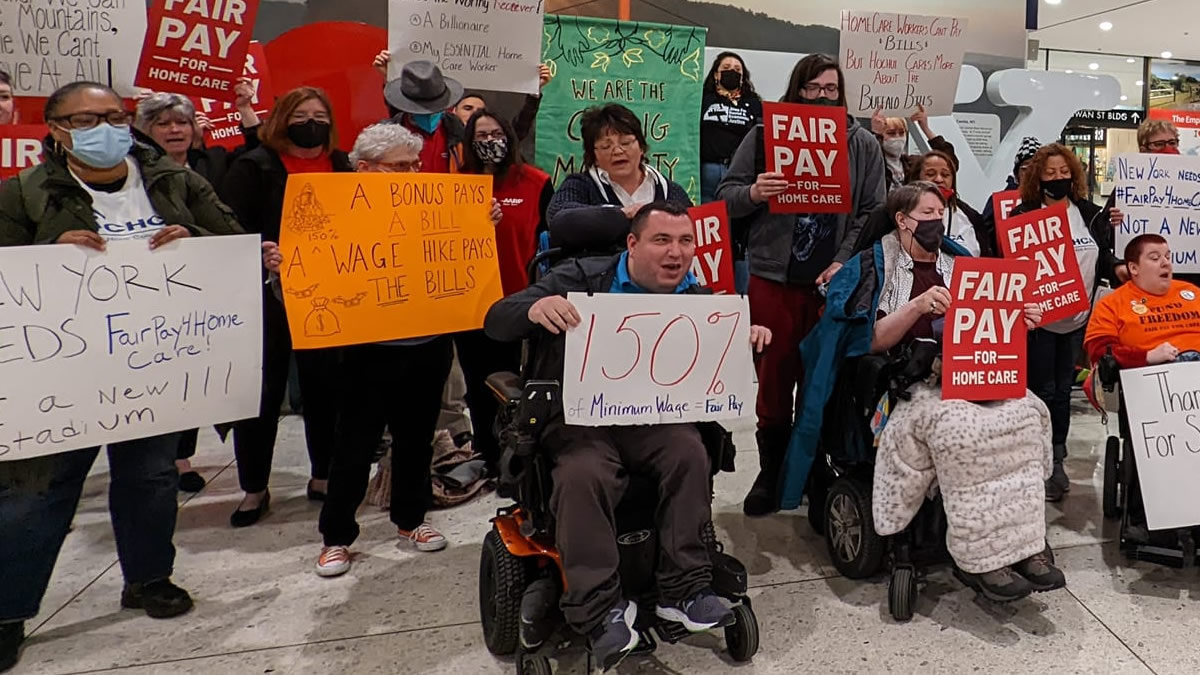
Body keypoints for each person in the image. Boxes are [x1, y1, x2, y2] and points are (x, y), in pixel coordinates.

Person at [0, 80, 243, 672]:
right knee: (37, 493)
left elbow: (233, 240)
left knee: (152, 476)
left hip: (154, 362)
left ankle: (148, 577)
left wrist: (196, 240)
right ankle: (9, 609)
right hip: (61, 372)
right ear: (55, 129)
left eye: (113, 116)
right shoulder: (25, 194)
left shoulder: (176, 182)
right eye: (85, 119)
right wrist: (49, 253)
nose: (103, 129)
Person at [483, 202, 771, 670]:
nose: (675, 254)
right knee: (584, 473)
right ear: (632, 244)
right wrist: (535, 307)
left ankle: (683, 587)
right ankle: (599, 607)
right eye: (662, 241)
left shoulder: (696, 299)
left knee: (688, 453)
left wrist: (745, 336)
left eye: (685, 242)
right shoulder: (577, 277)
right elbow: (497, 318)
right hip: (577, 419)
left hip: (651, 418)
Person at [782, 183, 1064, 602]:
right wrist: (915, 306)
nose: (937, 220)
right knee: (963, 434)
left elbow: (992, 328)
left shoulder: (962, 263)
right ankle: (980, 554)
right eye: (928, 213)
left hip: (976, 374)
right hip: (910, 380)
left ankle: (1022, 544)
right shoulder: (871, 267)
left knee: (1027, 415)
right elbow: (867, 342)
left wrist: (1019, 316)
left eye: (941, 211)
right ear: (902, 220)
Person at [262, 123, 502, 573]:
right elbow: (303, 291)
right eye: (399, 165)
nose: (411, 172)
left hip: (427, 346)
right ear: (365, 168)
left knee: (416, 440)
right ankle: (337, 535)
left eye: (414, 164)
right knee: (353, 445)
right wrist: (280, 271)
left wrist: (478, 223)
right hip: (364, 353)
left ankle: (411, 519)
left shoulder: (437, 206)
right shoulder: (329, 214)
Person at [716, 53, 885, 516]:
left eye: (831, 89)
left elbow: (873, 212)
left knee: (826, 379)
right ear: (797, 89)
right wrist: (754, 193)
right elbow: (725, 198)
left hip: (832, 283)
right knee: (774, 378)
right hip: (774, 277)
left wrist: (842, 261)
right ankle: (771, 474)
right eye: (813, 88)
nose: (823, 96)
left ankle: (816, 474)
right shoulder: (763, 135)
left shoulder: (862, 143)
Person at [221, 87, 350, 527]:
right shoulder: (254, 166)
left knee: (327, 390)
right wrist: (261, 250)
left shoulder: (342, 164)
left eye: (320, 114)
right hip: (267, 298)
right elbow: (231, 227)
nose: (312, 122)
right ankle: (254, 487)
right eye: (301, 114)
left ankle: (323, 475)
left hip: (329, 294)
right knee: (263, 394)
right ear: (281, 119)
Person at [133, 83, 262, 492]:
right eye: (163, 123)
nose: (174, 130)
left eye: (182, 122)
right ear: (144, 130)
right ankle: (177, 458)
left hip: (212, 286)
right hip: (155, 290)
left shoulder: (214, 163)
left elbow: (233, 215)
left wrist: (244, 109)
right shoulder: (130, 176)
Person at [1009, 144, 1123, 502]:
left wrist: (1118, 263)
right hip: (1039, 322)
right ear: (1037, 176)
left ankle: (1057, 458)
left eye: (1064, 172)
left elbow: (1102, 258)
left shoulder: (1089, 214)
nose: (1058, 178)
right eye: (1050, 172)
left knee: (1062, 391)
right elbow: (1012, 265)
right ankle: (1036, 459)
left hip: (1077, 321)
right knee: (1040, 391)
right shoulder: (1023, 214)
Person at [546, 104, 691, 244]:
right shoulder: (581, 185)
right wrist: (620, 214)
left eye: (626, 143)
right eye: (606, 146)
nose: (617, 151)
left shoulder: (670, 191)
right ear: (594, 157)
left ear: (641, 147)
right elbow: (556, 215)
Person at [374, 50, 552, 142]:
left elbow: (516, 133)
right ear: (452, 109)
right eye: (468, 108)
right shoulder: (399, 128)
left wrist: (533, 92)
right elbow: (403, 111)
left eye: (480, 110)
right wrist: (390, 77)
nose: (475, 112)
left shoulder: (474, 144)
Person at [1085, 234, 1200, 366]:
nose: (1166, 263)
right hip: (1149, 374)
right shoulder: (1111, 304)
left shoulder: (1193, 292)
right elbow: (1099, 352)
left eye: (1168, 257)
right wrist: (1146, 357)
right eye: (1155, 258)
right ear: (1134, 268)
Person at [700, 51, 762, 295]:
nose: (731, 71)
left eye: (737, 69)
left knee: (741, 236)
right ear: (716, 73)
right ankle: (711, 292)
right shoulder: (701, 100)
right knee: (710, 235)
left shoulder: (755, 104)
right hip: (708, 172)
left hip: (741, 177)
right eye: (726, 67)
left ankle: (741, 296)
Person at [383, 60, 466, 173]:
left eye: (434, 106)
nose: (428, 113)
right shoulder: (386, 134)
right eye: (422, 109)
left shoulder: (456, 128)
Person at [908, 150, 994, 257]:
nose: (939, 179)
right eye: (930, 174)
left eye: (945, 175)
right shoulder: (904, 212)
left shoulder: (971, 217)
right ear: (917, 178)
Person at [870, 104, 955, 192]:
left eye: (902, 133)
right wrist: (876, 134)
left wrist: (925, 128)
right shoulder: (873, 163)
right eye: (891, 133)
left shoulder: (911, 164)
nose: (898, 137)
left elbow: (949, 161)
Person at [980, 136, 1041, 226]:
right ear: (1017, 173)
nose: (1031, 174)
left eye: (1036, 169)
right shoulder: (997, 202)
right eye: (1025, 168)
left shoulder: (1051, 199)